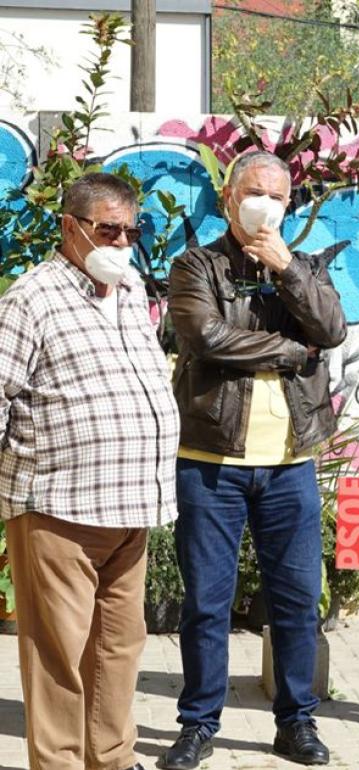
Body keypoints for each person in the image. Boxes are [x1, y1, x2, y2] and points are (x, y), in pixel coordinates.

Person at [161, 151, 348, 768]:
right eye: (252, 191)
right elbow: (205, 337)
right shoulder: (196, 265)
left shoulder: (306, 266)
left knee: (295, 601)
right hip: (209, 461)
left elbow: (332, 327)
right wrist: (296, 352)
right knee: (207, 603)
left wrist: (287, 268)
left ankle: (296, 723)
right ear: (228, 199)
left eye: (276, 194)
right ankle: (198, 723)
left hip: (290, 464)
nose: (264, 203)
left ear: (289, 205)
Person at [0, 172, 180, 770]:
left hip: (131, 509)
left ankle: (112, 760)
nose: (122, 242)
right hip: (58, 509)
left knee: (118, 650)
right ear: (70, 227)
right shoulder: (30, 299)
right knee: (57, 659)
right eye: (109, 229)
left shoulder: (129, 293)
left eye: (132, 230)